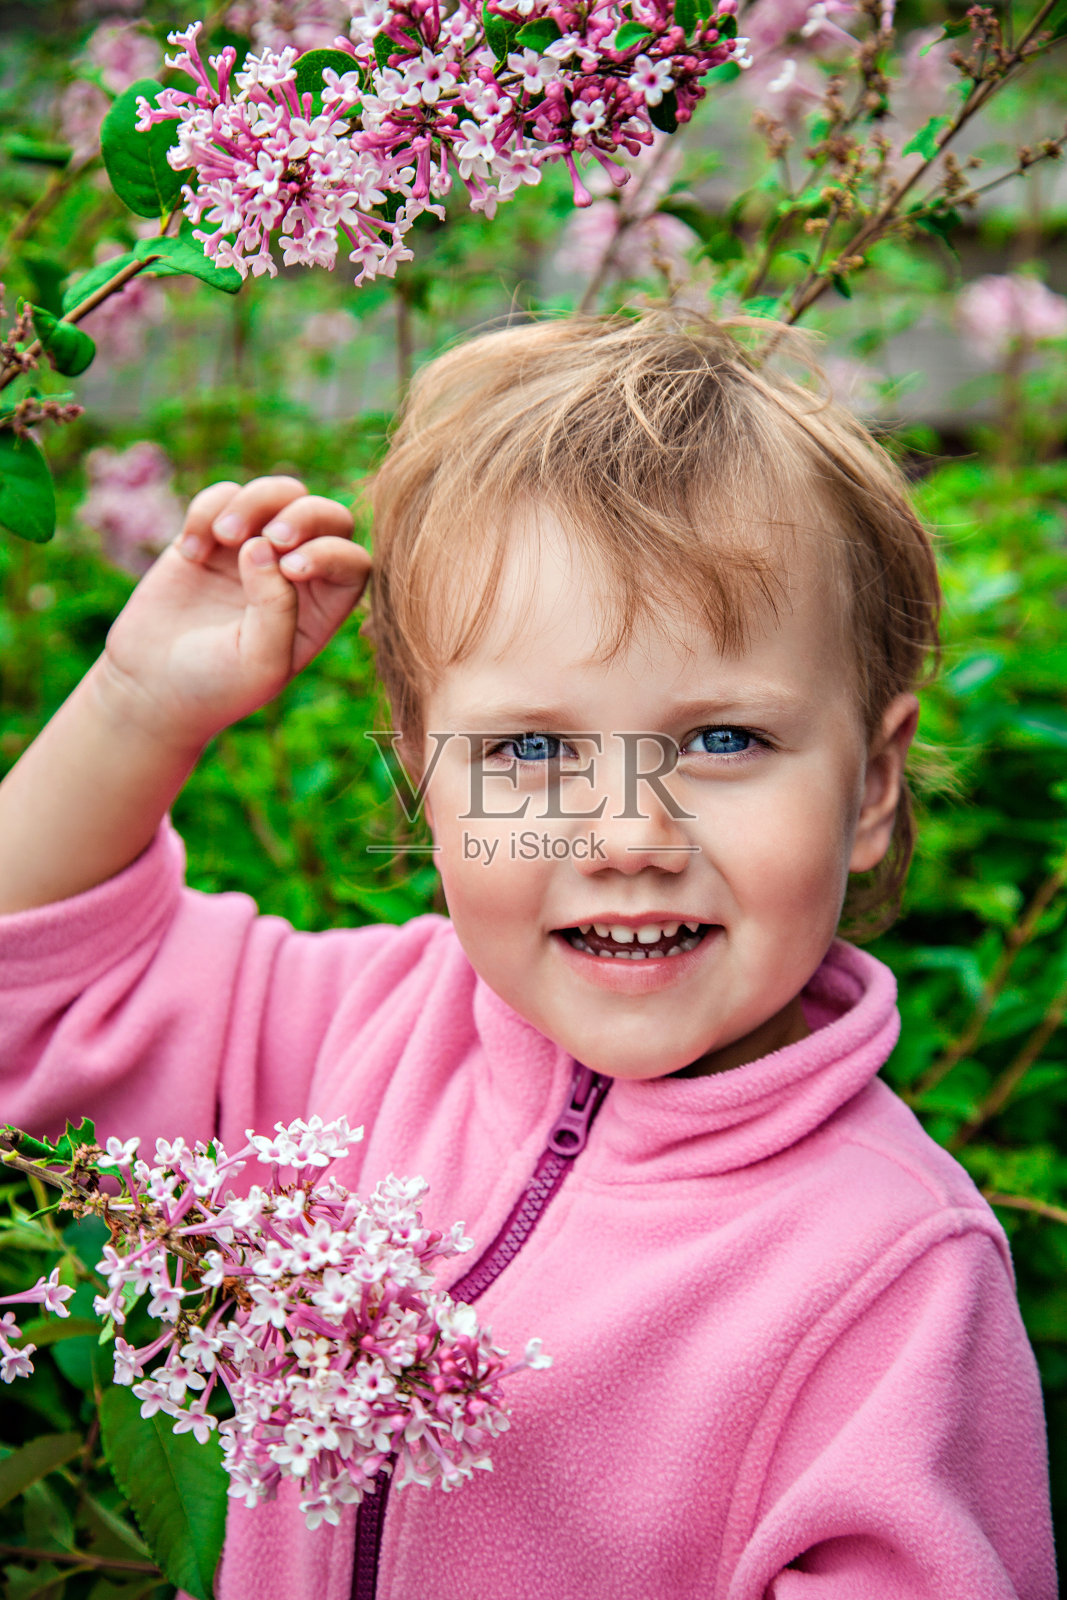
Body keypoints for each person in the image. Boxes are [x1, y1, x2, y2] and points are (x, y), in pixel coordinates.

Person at [0, 312, 1056, 1600]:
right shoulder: (348, 1031)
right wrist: (136, 705)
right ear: (422, 780)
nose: (627, 837)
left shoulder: (888, 1276)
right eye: (531, 751)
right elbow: (28, 989)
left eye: (723, 741)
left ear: (873, 783)